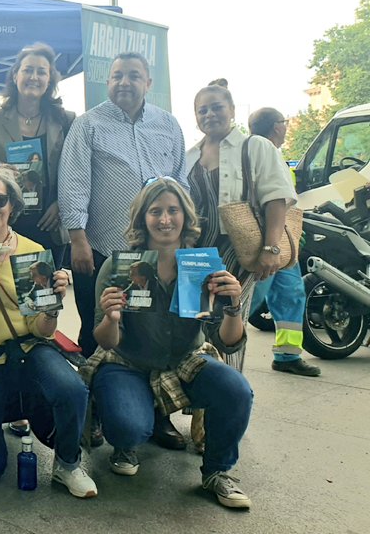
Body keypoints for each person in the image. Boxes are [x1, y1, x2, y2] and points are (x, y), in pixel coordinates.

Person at [88, 177, 254, 509]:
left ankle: (217, 472)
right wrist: (112, 318)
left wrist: (234, 305)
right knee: (129, 428)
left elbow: (227, 342)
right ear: (142, 218)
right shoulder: (119, 266)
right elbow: (105, 341)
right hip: (128, 363)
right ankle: (126, 439)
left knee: (237, 390)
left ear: (185, 216)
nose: (165, 220)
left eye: (173, 210)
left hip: (185, 361)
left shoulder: (202, 266)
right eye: (156, 211)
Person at [0, 168, 96, 498]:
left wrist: (52, 308)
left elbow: (42, 329)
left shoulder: (34, 252)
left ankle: (67, 464)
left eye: (0, 199)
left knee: (72, 390)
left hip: (29, 349)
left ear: (12, 205)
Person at [59, 52, 187, 449]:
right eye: (117, 76)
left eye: (133, 76)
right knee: (97, 330)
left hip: (160, 255)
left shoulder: (167, 125)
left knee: (155, 335)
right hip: (102, 252)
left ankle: (157, 415)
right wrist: (77, 239)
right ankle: (97, 411)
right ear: (107, 82)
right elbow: (74, 182)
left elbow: (181, 183)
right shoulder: (89, 125)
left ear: (148, 82)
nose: (124, 83)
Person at [186, 80, 297, 372]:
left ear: (232, 110)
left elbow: (277, 199)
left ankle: (229, 397)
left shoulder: (255, 146)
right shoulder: (189, 156)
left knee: (231, 321)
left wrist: (271, 248)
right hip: (197, 254)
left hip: (241, 253)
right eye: (202, 110)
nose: (210, 114)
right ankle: (201, 407)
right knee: (198, 325)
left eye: (217, 107)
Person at [0, 44, 76, 269]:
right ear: (15, 75)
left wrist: (61, 204)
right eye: (28, 70)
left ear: (50, 79)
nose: (34, 77)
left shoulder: (66, 120)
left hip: (50, 225)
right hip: (4, 223)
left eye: (41, 72)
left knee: (43, 296)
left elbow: (75, 174)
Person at [247, 107, 320, 377]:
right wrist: (272, 244)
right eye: (284, 122)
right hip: (268, 242)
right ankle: (221, 347)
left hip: (284, 241)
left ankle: (287, 355)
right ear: (276, 127)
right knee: (252, 298)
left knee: (291, 294)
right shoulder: (262, 151)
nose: (287, 127)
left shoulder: (270, 153)